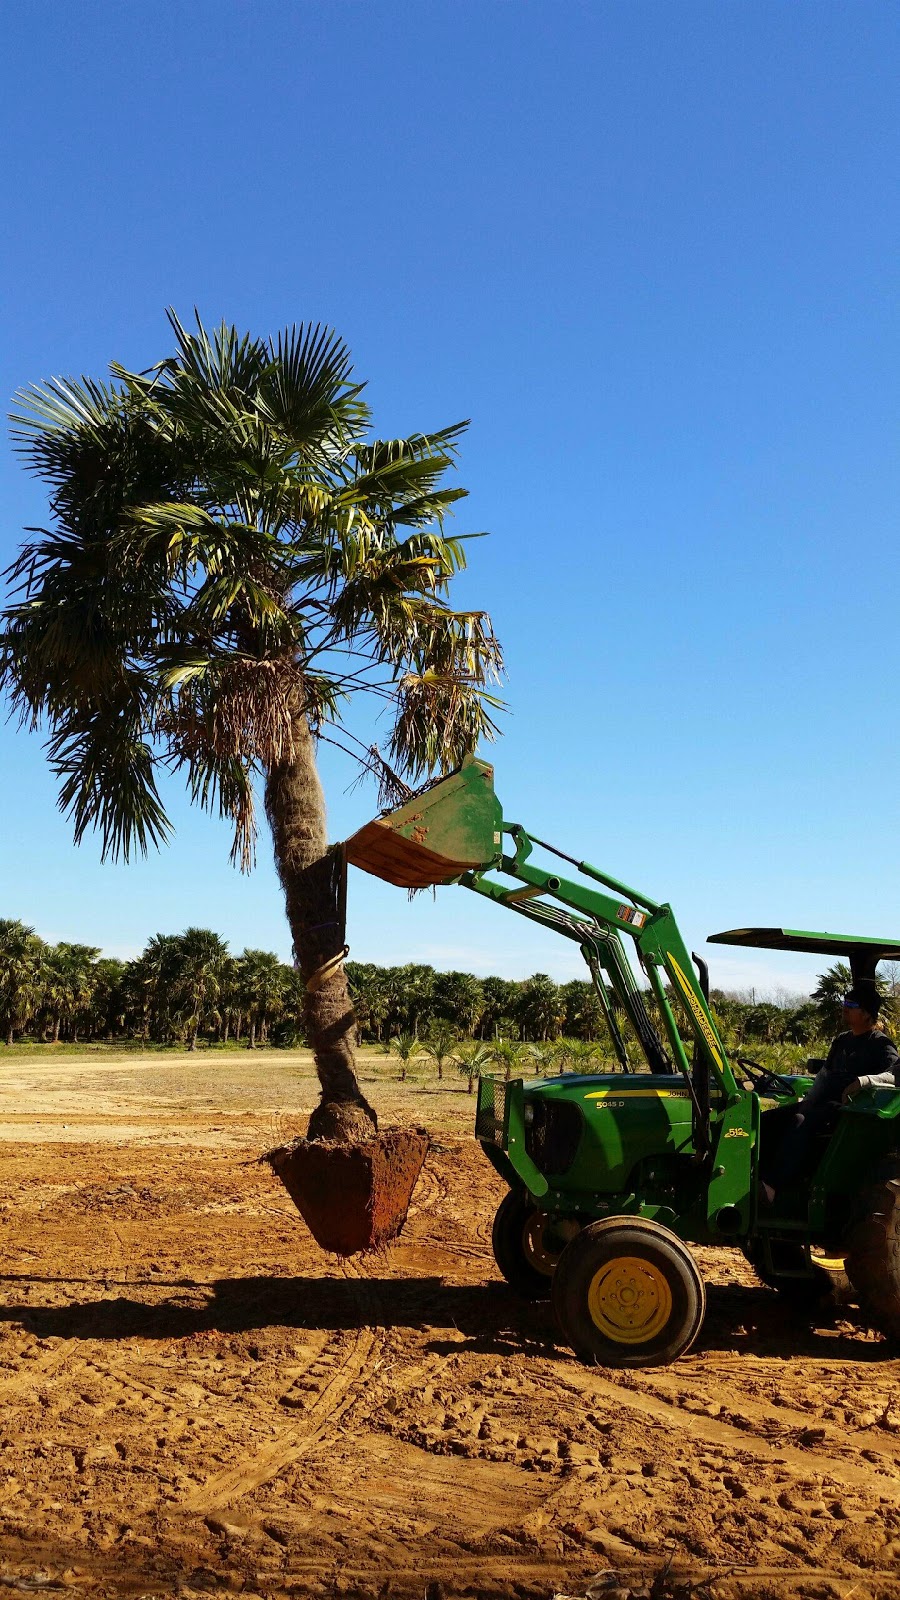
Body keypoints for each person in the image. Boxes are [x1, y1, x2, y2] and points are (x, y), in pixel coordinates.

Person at [765, 980, 900, 1199]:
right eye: (845, 1002)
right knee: (769, 1118)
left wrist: (862, 1081)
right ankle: (758, 1177)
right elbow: (825, 1074)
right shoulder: (842, 1041)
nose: (844, 1008)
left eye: (851, 1004)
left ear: (866, 1013)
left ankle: (773, 1186)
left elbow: (893, 1077)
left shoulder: (881, 1045)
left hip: (850, 1111)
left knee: (801, 1121)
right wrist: (809, 1099)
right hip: (823, 1103)